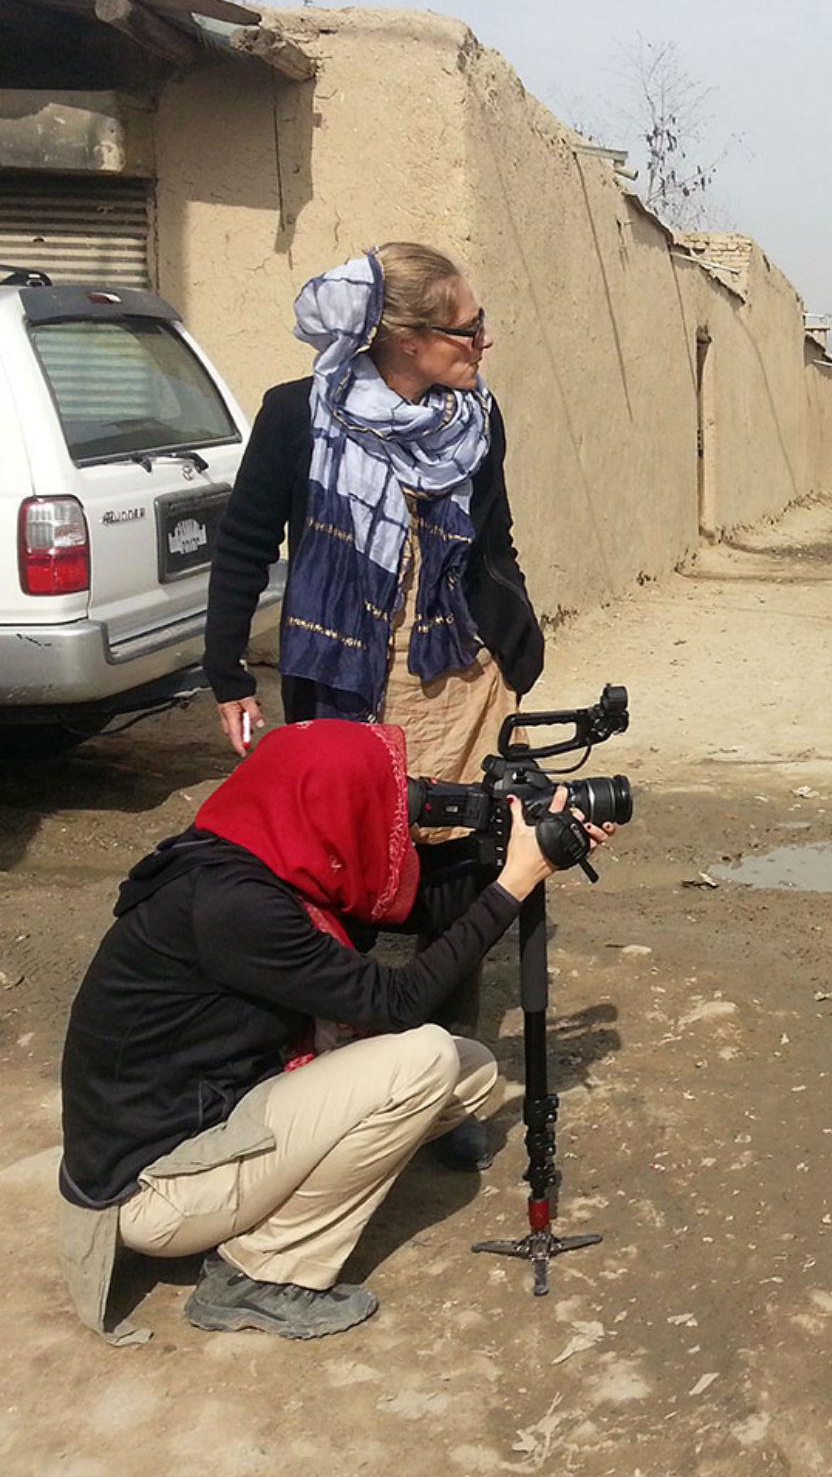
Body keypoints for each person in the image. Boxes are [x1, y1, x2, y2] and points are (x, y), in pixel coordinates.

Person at [56, 721, 614, 1343]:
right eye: (379, 793)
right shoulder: (235, 907)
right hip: (152, 1190)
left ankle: (281, 1205)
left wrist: (518, 850)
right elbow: (399, 1002)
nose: (395, 807)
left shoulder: (256, 850)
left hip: (202, 1115)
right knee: (424, 1059)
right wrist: (514, 885)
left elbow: (420, 901)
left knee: (472, 1072)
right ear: (321, 803)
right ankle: (259, 1276)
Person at [205, 244, 544, 1166]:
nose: (484, 339)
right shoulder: (298, 416)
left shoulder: (477, 416)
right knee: (343, 876)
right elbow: (243, 546)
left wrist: (515, 634)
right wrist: (229, 672)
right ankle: (343, 1078)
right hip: (343, 674)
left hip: (459, 678)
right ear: (401, 337)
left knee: (460, 869)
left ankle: (443, 1088)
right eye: (466, 327)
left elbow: (495, 535)